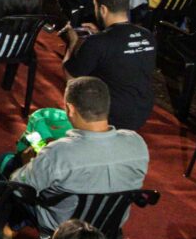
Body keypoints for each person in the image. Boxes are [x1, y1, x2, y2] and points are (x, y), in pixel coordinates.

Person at [10, 75, 150, 230]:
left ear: (70, 109)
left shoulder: (58, 152)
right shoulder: (137, 143)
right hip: (111, 222)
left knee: (9, 163)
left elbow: (18, 187)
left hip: (65, 225)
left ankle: (6, 227)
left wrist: (26, 162)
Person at [61, 0, 157, 132]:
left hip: (110, 115)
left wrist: (72, 42)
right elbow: (122, 49)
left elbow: (71, 78)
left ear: (103, 9)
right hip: (142, 110)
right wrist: (101, 34)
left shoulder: (98, 43)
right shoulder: (148, 36)